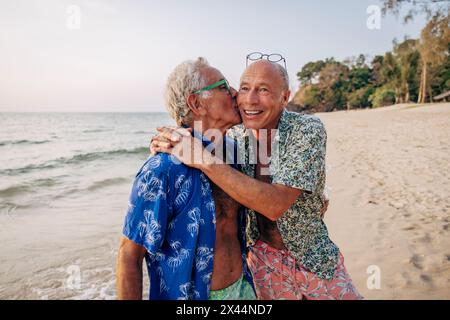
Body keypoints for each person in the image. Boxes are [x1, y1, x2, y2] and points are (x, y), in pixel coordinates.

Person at [151, 57, 362, 300]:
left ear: (285, 97)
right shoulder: (236, 136)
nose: (250, 99)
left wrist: (201, 158)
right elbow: (198, 127)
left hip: (312, 255)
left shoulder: (306, 129)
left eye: (263, 90)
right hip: (262, 262)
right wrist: (171, 138)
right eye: (244, 88)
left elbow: (275, 205)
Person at [116, 57, 255, 300]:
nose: (235, 93)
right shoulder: (162, 169)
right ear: (196, 103)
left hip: (243, 289)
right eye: (223, 86)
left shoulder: (236, 153)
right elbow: (129, 255)